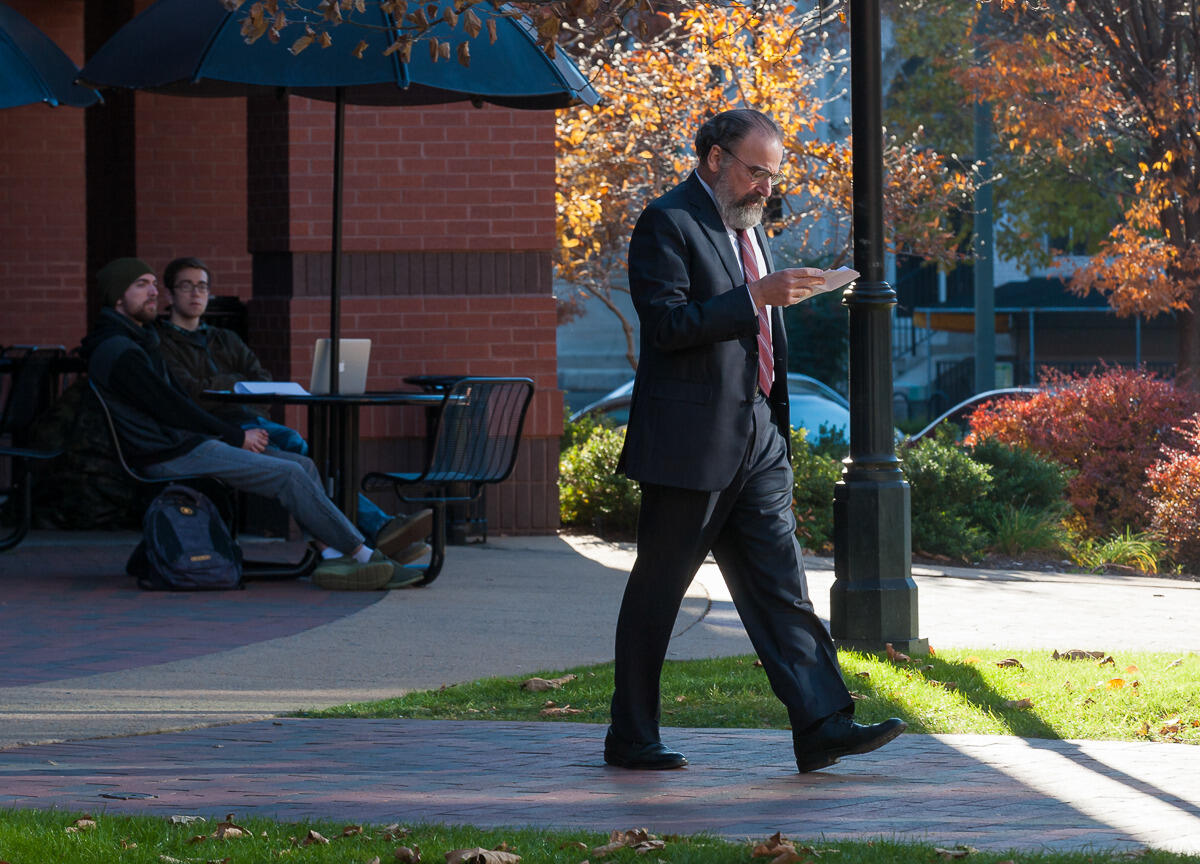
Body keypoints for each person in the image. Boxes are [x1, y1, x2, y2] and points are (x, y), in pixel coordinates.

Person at [606, 109, 906, 772]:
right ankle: (631, 736)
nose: (765, 188)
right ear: (715, 159)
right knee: (660, 590)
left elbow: (758, 329)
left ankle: (824, 724)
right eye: (756, 172)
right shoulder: (668, 222)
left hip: (758, 439)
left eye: (772, 176)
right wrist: (757, 295)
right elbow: (666, 324)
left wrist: (778, 298)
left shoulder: (750, 229)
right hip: (691, 444)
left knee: (782, 587)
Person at [80, 257, 404, 591]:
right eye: (141, 285)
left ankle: (333, 556)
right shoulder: (118, 350)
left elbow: (181, 403)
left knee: (302, 465)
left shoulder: (139, 341)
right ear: (118, 297)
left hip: (184, 443)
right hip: (166, 454)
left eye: (152, 283)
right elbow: (172, 408)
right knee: (289, 474)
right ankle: (362, 554)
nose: (152, 293)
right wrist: (236, 437)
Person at [154, 256, 431, 566]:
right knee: (298, 453)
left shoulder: (225, 338)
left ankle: (358, 540)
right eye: (186, 286)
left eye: (202, 287)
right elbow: (191, 393)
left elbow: (263, 381)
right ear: (169, 294)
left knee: (298, 448)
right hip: (218, 430)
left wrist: (224, 387)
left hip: (252, 420)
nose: (195, 294)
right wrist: (235, 384)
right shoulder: (161, 342)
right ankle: (372, 532)